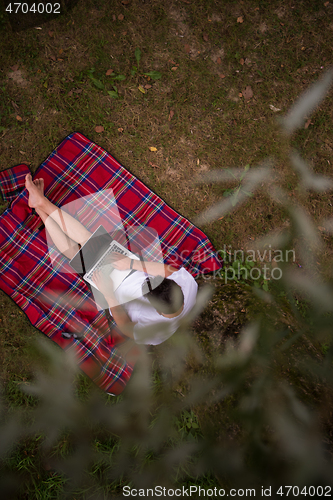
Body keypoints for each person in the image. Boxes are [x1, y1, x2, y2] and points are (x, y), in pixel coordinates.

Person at [25, 174, 198, 345]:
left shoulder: (154, 333)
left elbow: (126, 328)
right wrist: (131, 263)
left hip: (113, 289)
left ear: (158, 312)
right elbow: (170, 271)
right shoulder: (189, 286)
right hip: (130, 266)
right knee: (87, 242)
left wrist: (108, 295)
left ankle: (41, 205)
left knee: (78, 253)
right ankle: (40, 205)